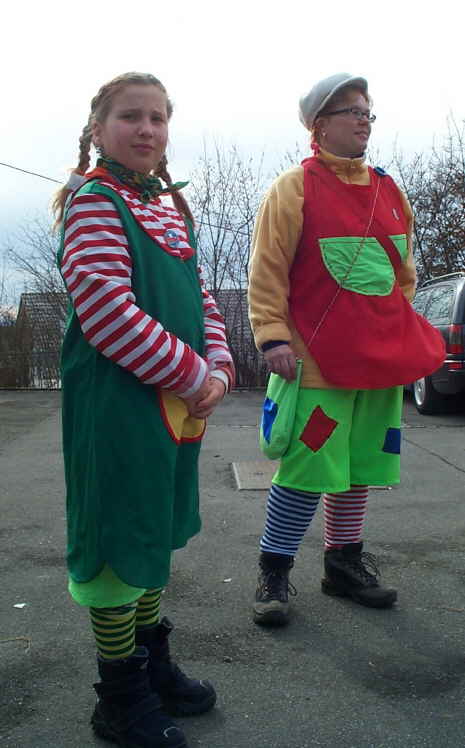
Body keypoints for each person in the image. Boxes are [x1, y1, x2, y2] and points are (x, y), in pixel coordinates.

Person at [53, 72, 234, 748]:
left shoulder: (166, 205)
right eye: (131, 116)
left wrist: (220, 367)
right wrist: (191, 374)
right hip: (120, 407)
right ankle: (119, 694)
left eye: (158, 118)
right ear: (98, 129)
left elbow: (201, 296)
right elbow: (106, 310)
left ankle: (152, 662)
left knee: (154, 529)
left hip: (174, 405)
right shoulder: (96, 202)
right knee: (117, 538)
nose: (147, 129)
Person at [248, 72, 445, 627]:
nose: (364, 120)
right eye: (352, 111)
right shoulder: (294, 188)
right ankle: (273, 570)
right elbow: (267, 269)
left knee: (360, 465)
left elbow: (402, 275)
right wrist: (273, 336)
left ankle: (343, 564)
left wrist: (393, 329)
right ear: (319, 125)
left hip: (379, 363)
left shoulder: (389, 190)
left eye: (367, 112)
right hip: (316, 364)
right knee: (307, 467)